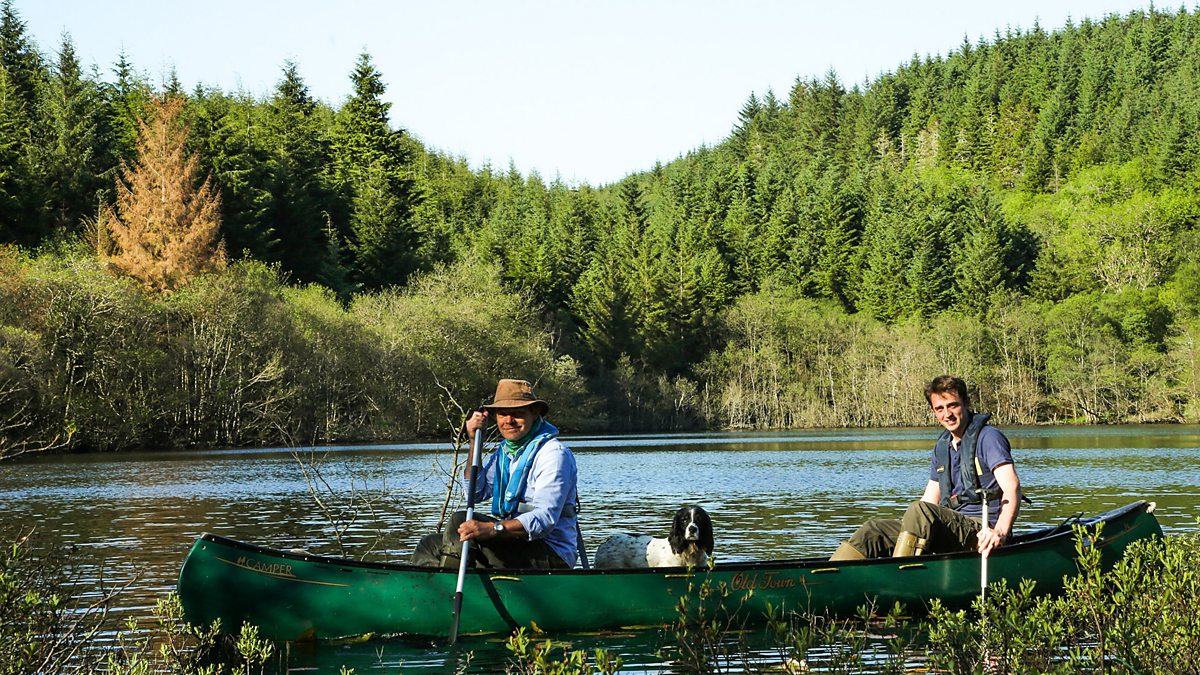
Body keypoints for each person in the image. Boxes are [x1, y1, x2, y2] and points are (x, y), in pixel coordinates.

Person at [830, 375, 1021, 561]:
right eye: (940, 408)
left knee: (919, 510)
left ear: (966, 403)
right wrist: (906, 528)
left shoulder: (989, 438)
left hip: (982, 531)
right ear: (933, 411)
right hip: (951, 528)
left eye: (952, 405)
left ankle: (900, 575)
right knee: (874, 530)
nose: (947, 414)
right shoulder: (941, 448)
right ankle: (833, 577)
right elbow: (929, 500)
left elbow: (1012, 488)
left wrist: (1000, 532)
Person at [410, 378, 579, 569]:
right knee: (430, 544)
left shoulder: (553, 455)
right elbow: (475, 493)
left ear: (534, 414)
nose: (509, 421)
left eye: (517, 413)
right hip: (514, 543)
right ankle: (430, 591)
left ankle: (452, 587)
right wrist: (475, 441)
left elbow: (544, 520)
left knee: (460, 520)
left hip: (550, 553)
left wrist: (492, 529)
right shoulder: (505, 453)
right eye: (503, 414)